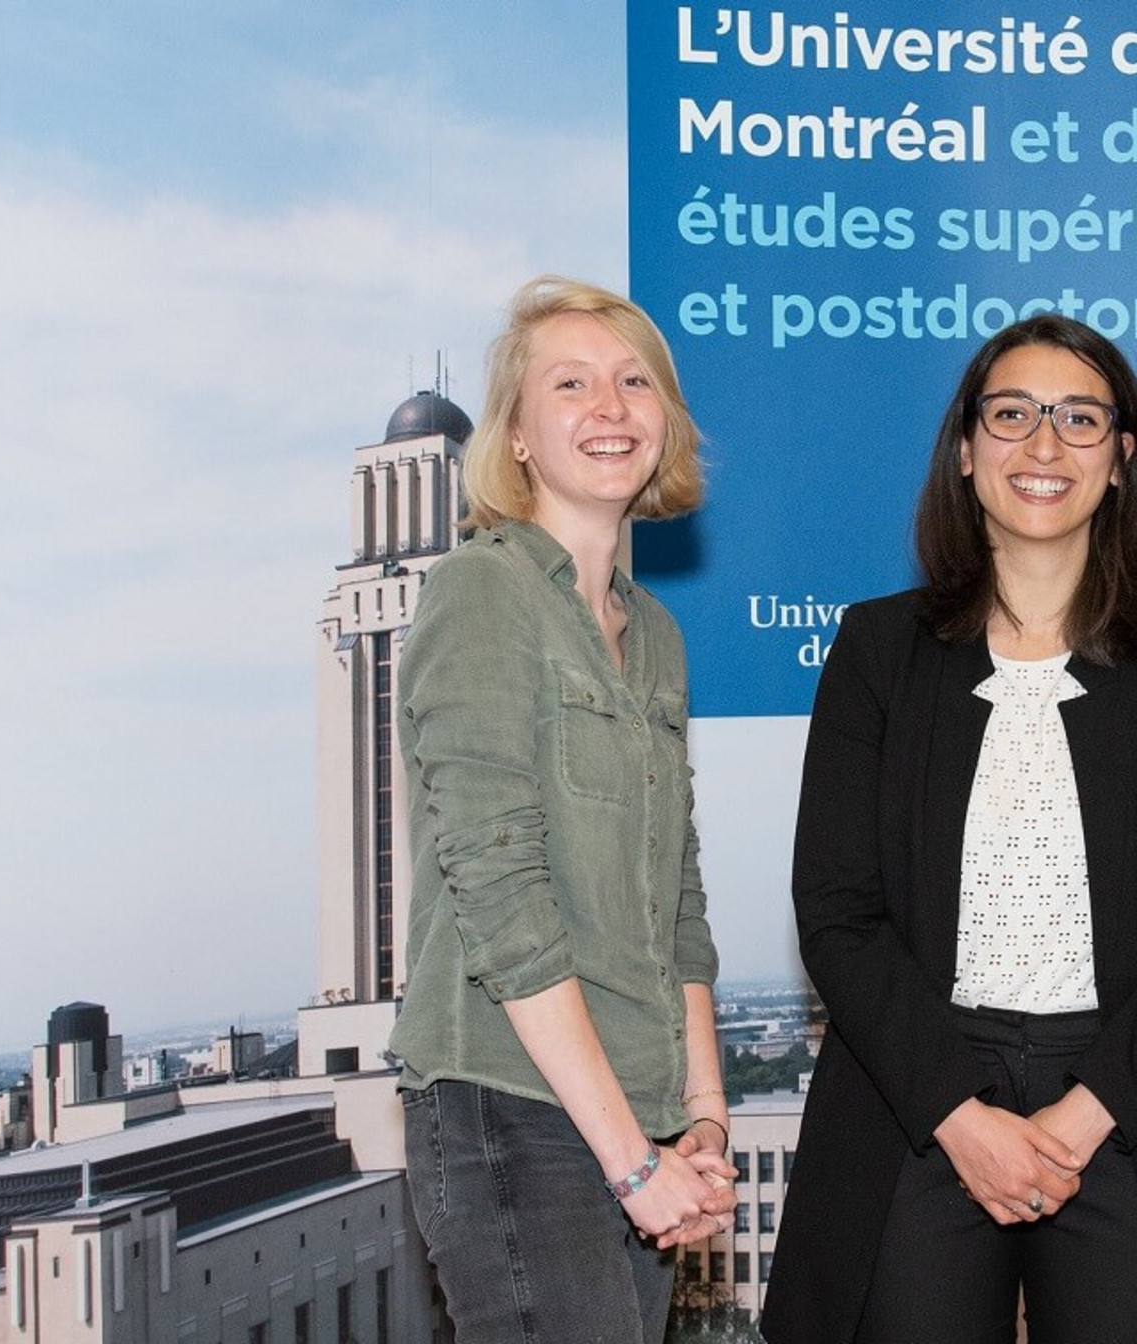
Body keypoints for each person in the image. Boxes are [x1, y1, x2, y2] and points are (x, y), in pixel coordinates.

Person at [762, 315, 1137, 1344]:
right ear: (965, 450)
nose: (1044, 445)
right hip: (919, 1100)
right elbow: (836, 912)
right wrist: (958, 1116)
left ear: (1121, 457)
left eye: (1078, 419)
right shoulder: (876, 649)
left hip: (1133, 1101)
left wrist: (1089, 1110)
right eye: (1011, 415)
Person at [388, 276, 735, 1344]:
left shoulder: (656, 633)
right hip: (508, 1107)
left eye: (635, 382)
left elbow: (676, 903)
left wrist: (703, 1121)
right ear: (516, 435)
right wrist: (630, 1160)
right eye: (571, 385)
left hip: (635, 1114)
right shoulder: (481, 592)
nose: (610, 407)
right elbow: (502, 898)